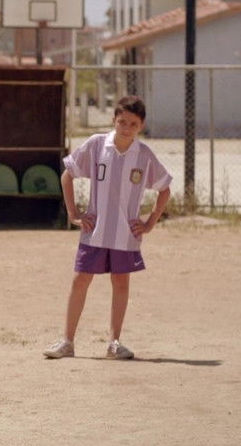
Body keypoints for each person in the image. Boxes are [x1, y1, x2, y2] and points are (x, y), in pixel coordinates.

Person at [43, 95, 171, 360]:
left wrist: (149, 222)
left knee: (121, 282)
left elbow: (164, 189)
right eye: (122, 122)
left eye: (133, 124)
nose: (126, 128)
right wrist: (73, 213)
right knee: (80, 280)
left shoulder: (144, 155)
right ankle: (67, 341)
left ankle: (114, 343)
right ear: (114, 120)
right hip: (95, 231)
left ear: (141, 126)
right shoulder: (97, 145)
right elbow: (67, 175)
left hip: (126, 235)